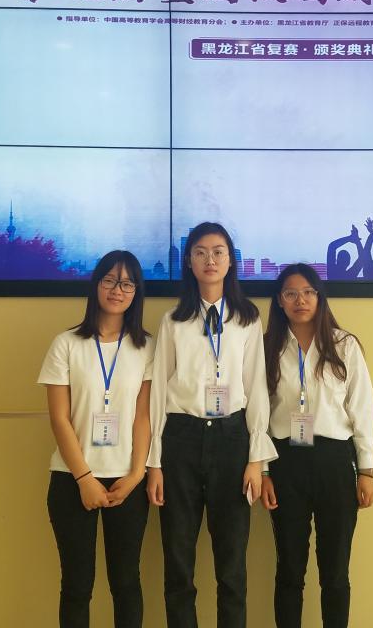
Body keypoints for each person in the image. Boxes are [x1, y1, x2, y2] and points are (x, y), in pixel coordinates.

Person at [146, 222, 277, 628]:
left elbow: (256, 388)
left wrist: (256, 460)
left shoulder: (248, 319)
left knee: (232, 567)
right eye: (200, 252)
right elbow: (157, 392)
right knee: (178, 565)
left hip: (232, 440)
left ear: (230, 261)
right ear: (189, 261)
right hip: (180, 439)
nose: (210, 260)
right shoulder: (173, 321)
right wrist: (154, 462)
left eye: (218, 252)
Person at [38, 250, 153, 628]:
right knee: (76, 586)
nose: (117, 290)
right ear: (96, 285)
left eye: (127, 283)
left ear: (136, 292)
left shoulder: (146, 347)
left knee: (126, 583)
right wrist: (85, 479)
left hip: (127, 481)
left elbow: (143, 417)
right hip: (72, 479)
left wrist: (136, 475)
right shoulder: (66, 343)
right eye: (110, 280)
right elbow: (59, 419)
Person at [261, 263, 373, 628]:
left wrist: (367, 469)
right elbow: (258, 414)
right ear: (279, 300)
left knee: (335, 571)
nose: (301, 300)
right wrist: (263, 471)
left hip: (335, 462)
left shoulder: (344, 345)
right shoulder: (266, 347)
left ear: (319, 297)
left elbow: (362, 408)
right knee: (289, 570)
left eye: (308, 292)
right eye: (291, 293)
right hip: (285, 463)